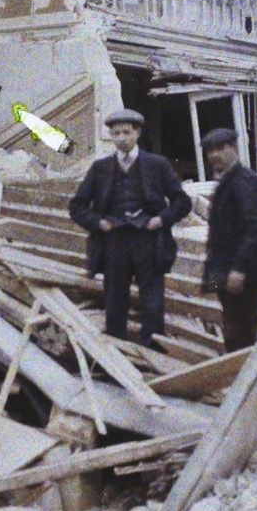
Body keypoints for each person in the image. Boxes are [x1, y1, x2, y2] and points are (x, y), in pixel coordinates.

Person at [68, 109, 190, 349]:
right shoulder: (101, 168)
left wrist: (161, 219)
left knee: (153, 304)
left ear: (137, 133)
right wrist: (99, 223)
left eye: (126, 132)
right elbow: (77, 206)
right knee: (115, 303)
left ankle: (152, 357)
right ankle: (117, 358)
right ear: (111, 137)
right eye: (115, 133)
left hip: (149, 242)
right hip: (114, 243)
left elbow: (182, 201)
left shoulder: (157, 165)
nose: (121, 138)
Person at [200, 125, 257, 352]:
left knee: (240, 333)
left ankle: (243, 382)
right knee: (233, 328)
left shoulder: (245, 181)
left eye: (220, 149)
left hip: (244, 272)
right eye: (209, 151)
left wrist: (239, 269)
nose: (214, 155)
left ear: (234, 148)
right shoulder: (227, 182)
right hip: (229, 271)